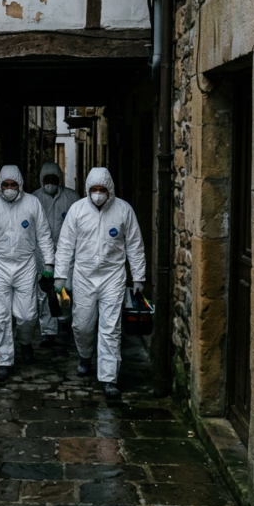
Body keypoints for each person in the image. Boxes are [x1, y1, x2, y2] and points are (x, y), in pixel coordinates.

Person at [54, 167, 146, 399]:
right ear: (87, 190)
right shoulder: (77, 211)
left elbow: (135, 245)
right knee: (82, 325)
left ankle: (108, 378)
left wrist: (138, 278)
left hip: (112, 276)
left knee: (110, 328)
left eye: (102, 189)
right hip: (84, 275)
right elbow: (65, 245)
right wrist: (60, 277)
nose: (98, 194)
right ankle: (85, 355)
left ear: (110, 190)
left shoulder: (124, 211)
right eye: (93, 189)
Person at [0, 165, 55, 380]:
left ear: (20, 185)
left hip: (25, 264)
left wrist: (49, 264)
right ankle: (4, 359)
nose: (9, 189)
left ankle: (25, 341)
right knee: (0, 316)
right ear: (0, 186)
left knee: (27, 315)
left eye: (13, 185)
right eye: (5, 185)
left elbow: (44, 235)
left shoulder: (32, 204)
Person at [32, 162, 80, 347]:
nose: (50, 183)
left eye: (53, 179)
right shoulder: (35, 199)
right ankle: (48, 331)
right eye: (47, 179)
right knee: (44, 292)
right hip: (42, 254)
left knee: (64, 290)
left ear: (59, 179)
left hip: (66, 252)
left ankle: (64, 321)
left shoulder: (72, 198)